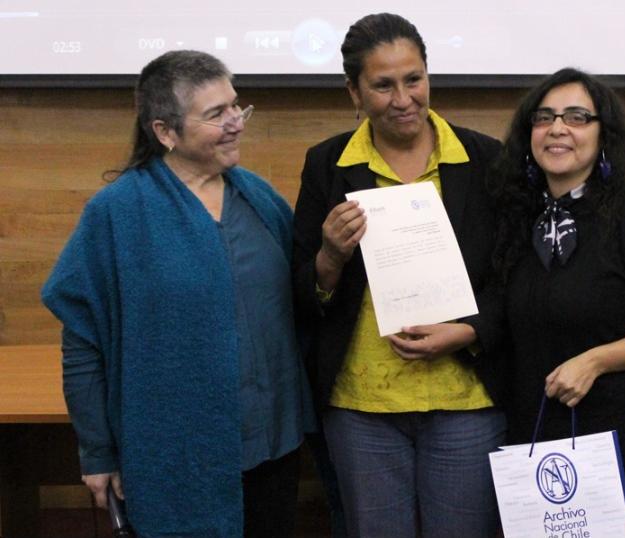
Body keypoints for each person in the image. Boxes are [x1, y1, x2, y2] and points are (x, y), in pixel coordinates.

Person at [42, 50, 313, 538]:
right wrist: (97, 452)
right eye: (216, 114)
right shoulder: (117, 213)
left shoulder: (259, 197)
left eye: (237, 107)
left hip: (273, 449)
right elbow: (83, 343)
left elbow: (297, 303)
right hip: (175, 458)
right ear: (165, 131)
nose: (235, 123)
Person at [292, 13, 507, 538]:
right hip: (362, 405)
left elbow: (516, 278)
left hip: (468, 399)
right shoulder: (327, 164)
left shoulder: (486, 160)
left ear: (429, 75)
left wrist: (471, 330)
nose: (403, 97)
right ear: (354, 92)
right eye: (383, 85)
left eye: (414, 79)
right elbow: (301, 286)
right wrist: (331, 256)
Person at [490, 67, 625, 538]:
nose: (557, 128)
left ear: (604, 133)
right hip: (531, 438)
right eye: (544, 117)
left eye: (576, 117)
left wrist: (595, 361)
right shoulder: (514, 222)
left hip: (617, 440)